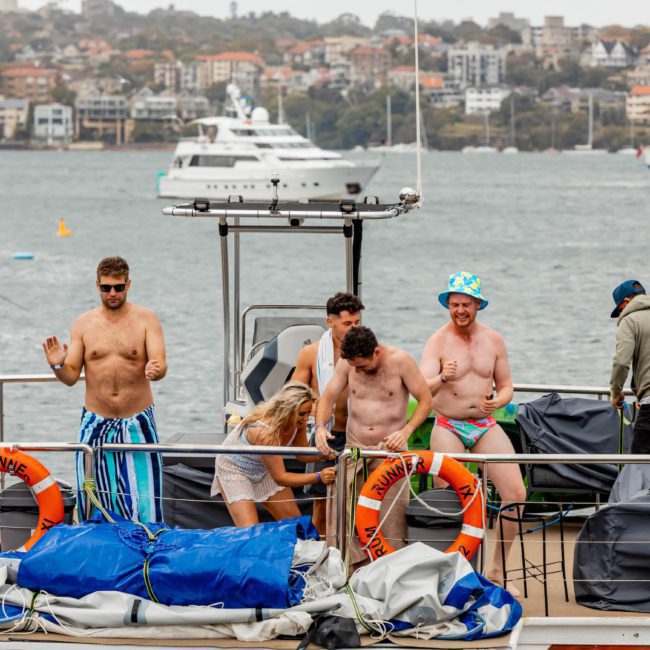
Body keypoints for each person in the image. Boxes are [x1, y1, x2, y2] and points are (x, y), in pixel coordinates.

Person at [420, 271, 526, 596]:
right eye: (454, 304)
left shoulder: (494, 340)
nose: (460, 310)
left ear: (478, 304)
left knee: (516, 494)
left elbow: (507, 386)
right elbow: (420, 388)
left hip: (484, 425)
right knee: (449, 498)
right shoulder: (437, 340)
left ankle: (498, 567)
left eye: (466, 304)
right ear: (447, 305)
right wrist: (441, 376)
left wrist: (499, 400)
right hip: (448, 424)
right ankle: (452, 568)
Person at [42, 256, 166, 522]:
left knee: (145, 499)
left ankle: (146, 552)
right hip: (96, 421)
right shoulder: (83, 323)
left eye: (119, 287)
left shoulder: (146, 319)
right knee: (95, 496)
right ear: (97, 285)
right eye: (106, 287)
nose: (112, 293)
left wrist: (155, 371)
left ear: (128, 285)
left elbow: (160, 365)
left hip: (138, 421)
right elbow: (71, 376)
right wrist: (57, 366)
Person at [314, 326, 432, 571]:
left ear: (376, 352)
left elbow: (425, 400)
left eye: (362, 366)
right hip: (354, 449)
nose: (357, 371)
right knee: (347, 516)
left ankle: (390, 573)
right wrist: (320, 427)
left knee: (390, 519)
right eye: (353, 366)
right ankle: (348, 572)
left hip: (390, 451)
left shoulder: (401, 361)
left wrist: (405, 432)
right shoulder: (347, 365)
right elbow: (328, 397)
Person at [212, 381, 336, 527]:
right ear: (287, 410)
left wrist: (322, 455)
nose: (306, 418)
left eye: (309, 412)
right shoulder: (265, 433)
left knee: (297, 525)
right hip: (234, 469)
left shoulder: (298, 422)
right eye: (302, 413)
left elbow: (302, 455)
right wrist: (318, 477)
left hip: (264, 468)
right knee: (250, 530)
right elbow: (281, 478)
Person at [292, 292, 364, 535]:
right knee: (321, 505)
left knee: (357, 504)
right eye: (347, 324)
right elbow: (294, 395)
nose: (354, 329)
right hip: (324, 434)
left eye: (357, 323)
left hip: (356, 433)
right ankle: (320, 555)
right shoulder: (311, 353)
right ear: (330, 322)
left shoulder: (366, 351)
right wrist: (314, 406)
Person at [609, 279, 650, 453]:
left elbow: (621, 362)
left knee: (637, 465)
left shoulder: (630, 320)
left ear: (626, 302)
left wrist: (616, 393)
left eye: (620, 309)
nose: (621, 313)